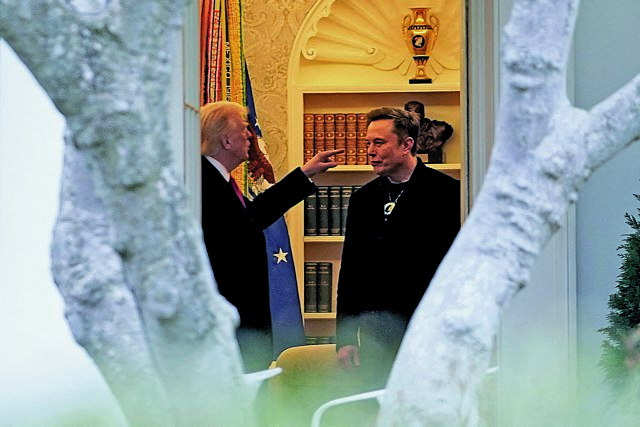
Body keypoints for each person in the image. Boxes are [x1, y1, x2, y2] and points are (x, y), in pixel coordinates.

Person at [200, 101, 341, 372]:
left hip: (241, 328)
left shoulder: (218, 180)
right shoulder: (203, 183)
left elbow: (252, 217)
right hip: (228, 329)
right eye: (244, 129)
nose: (250, 136)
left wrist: (305, 174)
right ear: (226, 140)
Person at [335, 106, 460, 391]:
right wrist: (345, 337)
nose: (370, 151)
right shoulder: (363, 199)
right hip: (375, 337)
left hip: (429, 331)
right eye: (368, 143)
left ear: (407, 145)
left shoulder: (449, 194)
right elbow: (351, 271)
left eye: (379, 143)